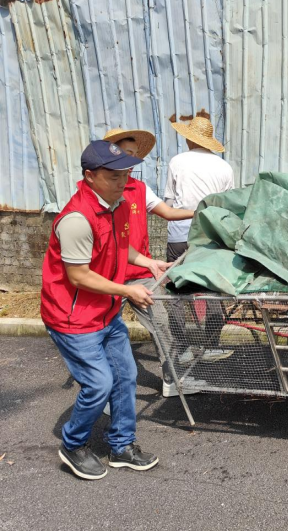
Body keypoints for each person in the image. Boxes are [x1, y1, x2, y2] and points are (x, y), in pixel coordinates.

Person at [41, 140, 170, 481]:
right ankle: (73, 445)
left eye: (126, 174)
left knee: (125, 376)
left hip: (106, 312)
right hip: (73, 318)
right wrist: (128, 290)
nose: (123, 182)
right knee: (99, 383)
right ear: (90, 176)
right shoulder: (76, 219)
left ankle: (121, 446)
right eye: (114, 177)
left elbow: (120, 248)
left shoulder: (119, 205)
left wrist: (148, 262)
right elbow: (79, 276)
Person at [102, 128, 195, 396]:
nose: (130, 159)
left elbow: (167, 212)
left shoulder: (140, 189)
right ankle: (106, 389)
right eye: (124, 152)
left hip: (139, 271)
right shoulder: (101, 189)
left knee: (161, 323)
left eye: (133, 154)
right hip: (107, 277)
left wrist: (199, 211)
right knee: (105, 331)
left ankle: (171, 379)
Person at [165, 112, 235, 364]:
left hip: (179, 234)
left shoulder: (177, 162)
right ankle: (211, 345)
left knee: (174, 290)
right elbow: (227, 205)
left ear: (189, 139)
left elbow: (169, 202)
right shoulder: (224, 167)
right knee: (212, 288)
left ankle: (182, 348)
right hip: (209, 236)